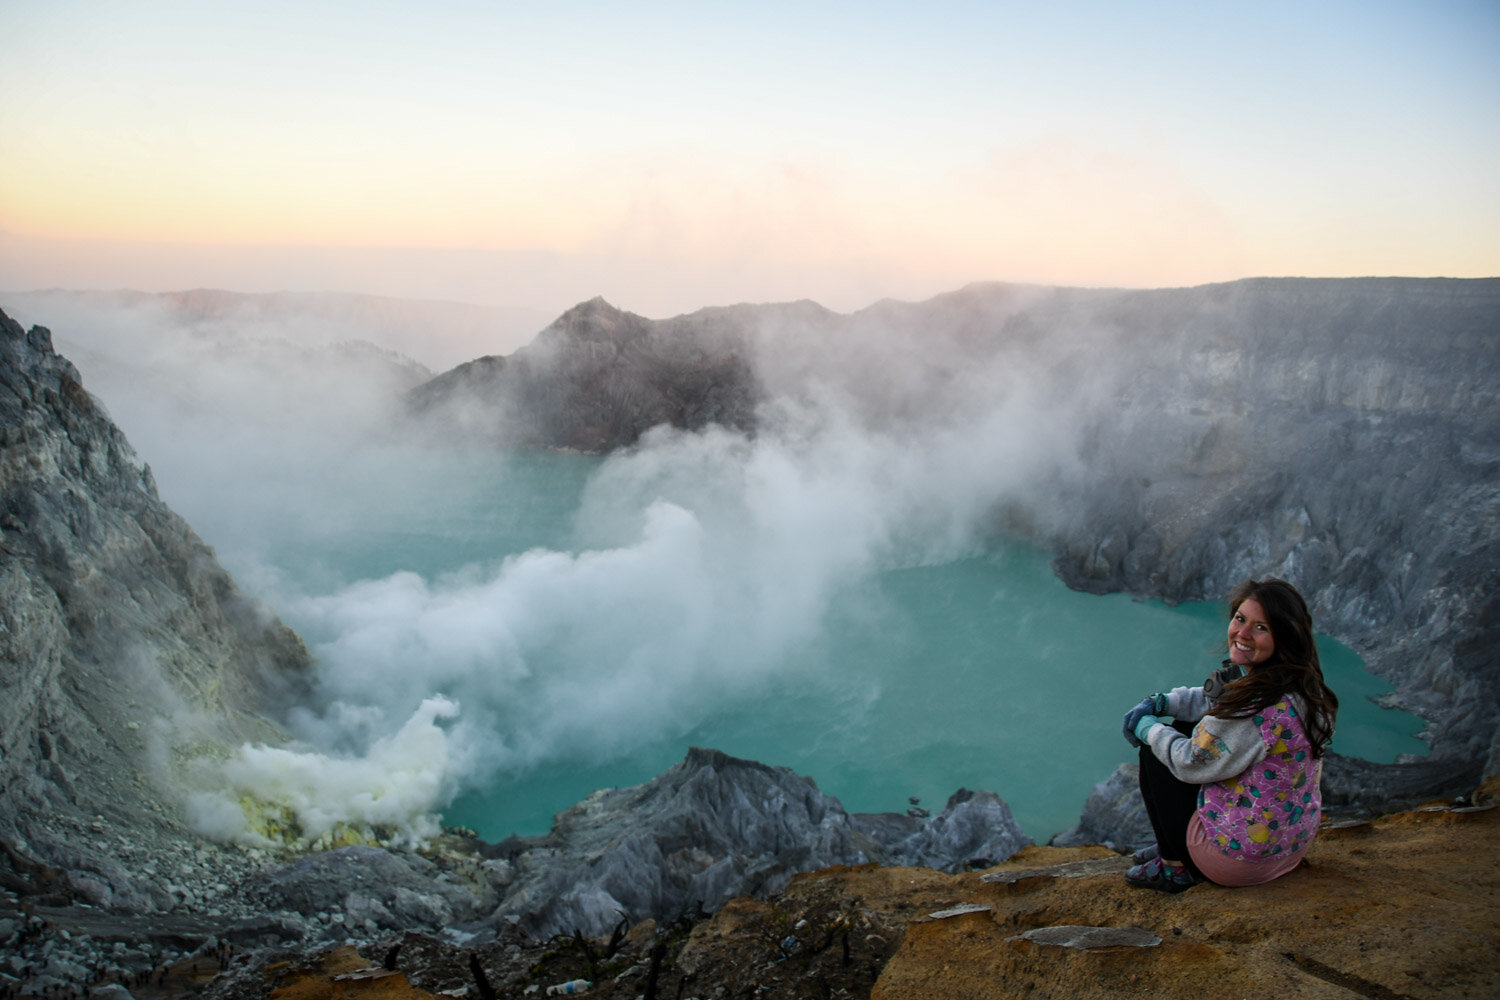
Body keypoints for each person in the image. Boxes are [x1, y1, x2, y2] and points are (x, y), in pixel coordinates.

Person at [1119, 578, 1339, 892]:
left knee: (1157, 752)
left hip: (1236, 863)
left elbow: (1190, 762)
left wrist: (1147, 728)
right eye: (1240, 619)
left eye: (1261, 627)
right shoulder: (1303, 687)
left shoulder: (1255, 707)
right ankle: (1174, 840)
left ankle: (1173, 867)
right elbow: (1218, 700)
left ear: (1285, 636)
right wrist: (1164, 702)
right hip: (1286, 849)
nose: (1244, 633)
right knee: (1182, 730)